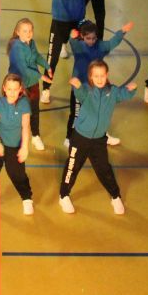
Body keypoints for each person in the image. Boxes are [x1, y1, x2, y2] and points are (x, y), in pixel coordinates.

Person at [59, 60, 136, 215]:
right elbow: (80, 94)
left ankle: (115, 196)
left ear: (107, 75)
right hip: (80, 138)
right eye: (96, 76)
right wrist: (77, 86)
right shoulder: (87, 91)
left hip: (99, 140)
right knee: (72, 167)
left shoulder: (112, 91)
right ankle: (64, 195)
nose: (99, 79)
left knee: (104, 169)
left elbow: (123, 94)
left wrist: (131, 90)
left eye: (102, 75)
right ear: (91, 77)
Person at [27, 0, 85, 103]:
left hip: (77, 24)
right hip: (59, 23)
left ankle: (84, 88)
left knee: (83, 56)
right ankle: (46, 89)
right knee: (52, 58)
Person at [65, 21, 132, 147]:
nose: (91, 41)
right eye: (88, 38)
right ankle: (69, 137)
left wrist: (122, 31)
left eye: (94, 38)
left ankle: (102, 135)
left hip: (96, 87)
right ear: (82, 36)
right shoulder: (79, 46)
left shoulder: (100, 46)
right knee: (76, 113)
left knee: (99, 111)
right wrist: (71, 36)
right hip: (80, 87)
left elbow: (112, 43)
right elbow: (72, 41)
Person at [0, 73, 34, 218]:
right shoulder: (0, 102)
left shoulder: (24, 104)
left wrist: (25, 147)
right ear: (4, 88)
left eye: (15, 89)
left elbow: (26, 126)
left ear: (20, 89)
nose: (12, 93)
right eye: (9, 89)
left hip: (14, 146)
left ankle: (27, 198)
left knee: (18, 174)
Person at [6, 17, 52, 153]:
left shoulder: (31, 43)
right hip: (18, 86)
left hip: (32, 83)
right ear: (18, 32)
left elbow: (36, 56)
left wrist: (47, 66)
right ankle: (13, 137)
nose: (28, 33)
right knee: (17, 111)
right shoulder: (16, 47)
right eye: (25, 31)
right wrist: (42, 76)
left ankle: (35, 136)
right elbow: (23, 69)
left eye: (30, 30)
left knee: (34, 110)